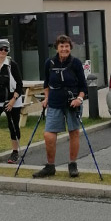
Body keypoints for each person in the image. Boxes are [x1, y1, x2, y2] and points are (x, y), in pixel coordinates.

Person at [33, 35, 87, 178]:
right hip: (55, 102)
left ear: (70, 47)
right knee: (49, 135)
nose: (64, 49)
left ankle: (72, 164)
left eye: (66, 46)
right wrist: (46, 98)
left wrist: (79, 99)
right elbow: (46, 84)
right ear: (56, 48)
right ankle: (50, 166)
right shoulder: (49, 63)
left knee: (74, 132)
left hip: (72, 103)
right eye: (61, 46)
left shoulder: (76, 63)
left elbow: (83, 86)